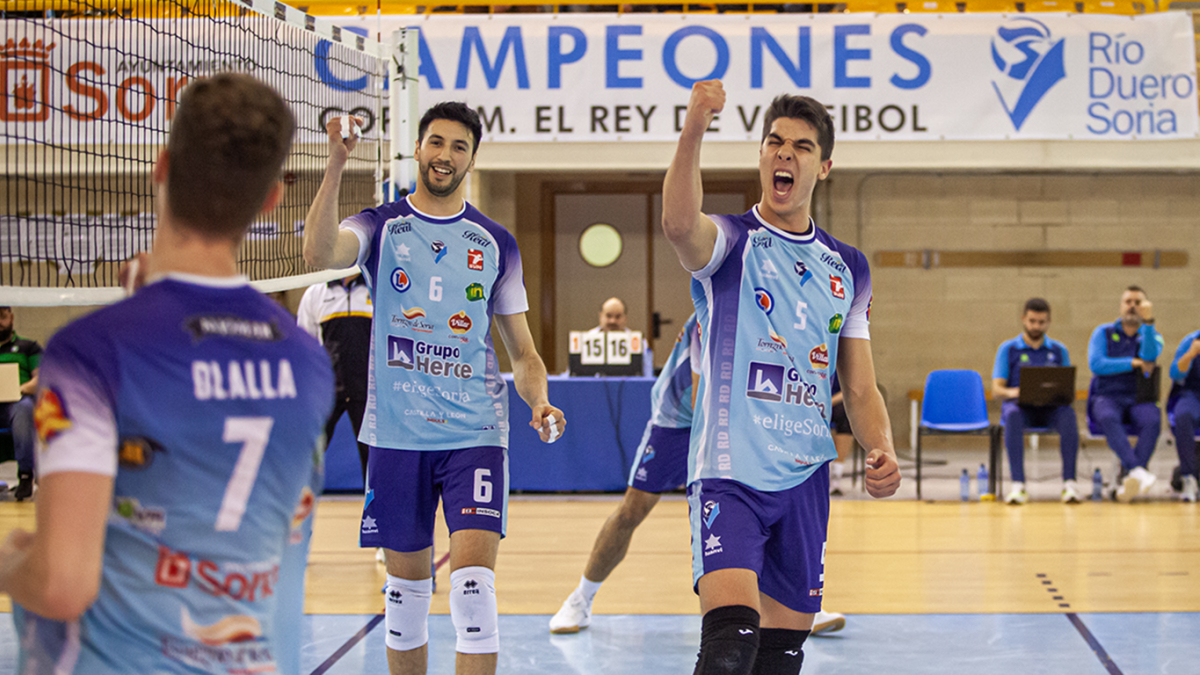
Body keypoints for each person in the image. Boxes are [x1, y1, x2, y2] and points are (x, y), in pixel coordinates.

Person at [0, 73, 334, 673]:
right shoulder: (305, 361)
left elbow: (60, 585)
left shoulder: (91, 351)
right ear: (270, 200)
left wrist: (10, 559)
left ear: (160, 167)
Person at [303, 102, 565, 675]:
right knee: (406, 604)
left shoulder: (495, 243)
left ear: (473, 158)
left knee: (474, 594)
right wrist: (336, 162)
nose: (445, 155)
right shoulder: (381, 226)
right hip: (396, 437)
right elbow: (320, 254)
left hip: (475, 432)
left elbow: (524, 355)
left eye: (458, 146)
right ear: (418, 149)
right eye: (436, 143)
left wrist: (539, 398)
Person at [662, 80, 900, 675]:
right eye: (774, 142)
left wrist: (882, 448)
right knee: (728, 648)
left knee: (779, 658)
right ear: (762, 156)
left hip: (805, 481)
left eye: (800, 145)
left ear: (824, 165)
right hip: (730, 471)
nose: (784, 153)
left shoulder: (848, 268)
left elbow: (862, 386)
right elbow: (677, 224)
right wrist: (694, 128)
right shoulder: (732, 244)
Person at [550, 314, 847, 637]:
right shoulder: (724, 303)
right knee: (632, 511)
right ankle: (581, 598)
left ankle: (789, 604)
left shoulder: (785, 309)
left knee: (762, 507)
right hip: (680, 420)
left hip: (740, 419)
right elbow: (703, 397)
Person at [992, 298, 1081, 505]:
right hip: (1020, 407)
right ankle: (1018, 485)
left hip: (1051, 409)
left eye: (1041, 322)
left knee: (1068, 414)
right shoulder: (1009, 349)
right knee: (1012, 415)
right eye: (1032, 321)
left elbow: (1067, 386)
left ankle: (1070, 483)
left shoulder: (1059, 350)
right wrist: (1017, 392)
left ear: (1048, 322)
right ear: (1024, 319)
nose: (1036, 326)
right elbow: (997, 389)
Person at [1087, 286, 1163, 503]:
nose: (1132, 306)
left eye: (1138, 302)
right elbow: (1097, 364)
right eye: (1128, 301)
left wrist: (1148, 324)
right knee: (1108, 417)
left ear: (1145, 308)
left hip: (1140, 396)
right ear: (1120, 306)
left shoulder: (1154, 335)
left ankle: (1130, 474)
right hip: (1108, 396)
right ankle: (1138, 471)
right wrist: (1132, 363)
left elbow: (1150, 355)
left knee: (1153, 420)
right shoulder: (1102, 332)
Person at [297, 273, 373, 480]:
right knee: (309, 449)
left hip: (368, 389)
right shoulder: (315, 293)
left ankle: (374, 509)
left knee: (372, 457)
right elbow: (305, 344)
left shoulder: (376, 288)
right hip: (327, 388)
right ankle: (293, 502)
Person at [0, 305, 40, 500]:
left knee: (23, 408)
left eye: (2, 317)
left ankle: (25, 476)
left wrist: (19, 389)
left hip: (17, 401)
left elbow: (40, 379)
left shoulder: (28, 347)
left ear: (12, 318)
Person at [1168, 331, 1200, 502]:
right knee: (1183, 415)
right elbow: (1175, 373)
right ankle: (1188, 477)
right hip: (1193, 393)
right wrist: (1191, 354)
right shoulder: (1190, 340)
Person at [827, 374, 853, 497]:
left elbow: (850, 390)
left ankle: (836, 477)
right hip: (808, 401)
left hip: (834, 403)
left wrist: (829, 402)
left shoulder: (844, 358)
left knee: (846, 415)